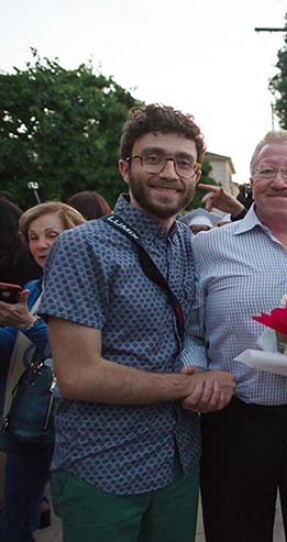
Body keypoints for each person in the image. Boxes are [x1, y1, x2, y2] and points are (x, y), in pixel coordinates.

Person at [38, 104, 235, 542]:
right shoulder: (81, 247)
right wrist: (187, 386)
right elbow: (77, 376)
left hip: (178, 462)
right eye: (154, 158)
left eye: (182, 162)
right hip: (104, 465)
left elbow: (195, 331)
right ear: (125, 167)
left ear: (195, 173)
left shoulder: (189, 242)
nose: (169, 172)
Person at [185, 130, 287, 542]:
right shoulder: (208, 248)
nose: (279, 181)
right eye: (267, 171)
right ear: (251, 182)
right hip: (235, 425)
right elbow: (188, 330)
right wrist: (195, 371)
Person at [0, 202, 85, 542]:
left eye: (52, 235)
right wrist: (9, 322)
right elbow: (15, 348)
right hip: (28, 420)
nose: (41, 245)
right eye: (33, 237)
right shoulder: (33, 288)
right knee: (14, 520)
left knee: (79, 518)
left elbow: (79, 352)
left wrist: (30, 324)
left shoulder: (90, 286)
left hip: (74, 422)